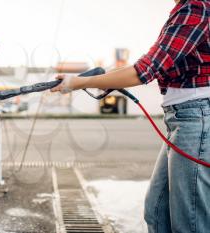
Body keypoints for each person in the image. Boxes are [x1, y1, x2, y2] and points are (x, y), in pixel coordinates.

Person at [51, 0, 210, 232]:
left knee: (190, 222)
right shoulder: (183, 10)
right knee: (156, 211)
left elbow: (144, 70)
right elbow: (144, 65)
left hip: (196, 119)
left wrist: (79, 83)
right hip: (182, 119)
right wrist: (87, 79)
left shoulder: (196, 8)